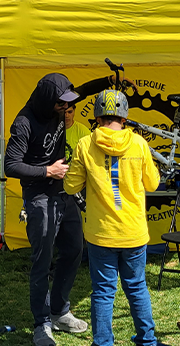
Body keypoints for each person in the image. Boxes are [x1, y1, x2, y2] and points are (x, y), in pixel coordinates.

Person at [64, 89, 161, 346]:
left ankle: (103, 342)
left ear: (97, 117)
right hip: (133, 232)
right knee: (137, 288)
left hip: (101, 233)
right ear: (124, 117)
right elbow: (152, 184)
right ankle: (147, 340)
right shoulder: (139, 144)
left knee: (104, 292)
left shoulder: (85, 144)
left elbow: (71, 187)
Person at [4, 73, 90, 346]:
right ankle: (42, 323)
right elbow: (10, 165)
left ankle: (59, 310)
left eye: (68, 104)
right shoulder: (24, 122)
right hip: (39, 194)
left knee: (75, 249)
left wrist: (113, 79)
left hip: (64, 192)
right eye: (60, 105)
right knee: (43, 260)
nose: (65, 109)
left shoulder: (60, 106)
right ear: (47, 100)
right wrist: (47, 171)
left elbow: (85, 90)